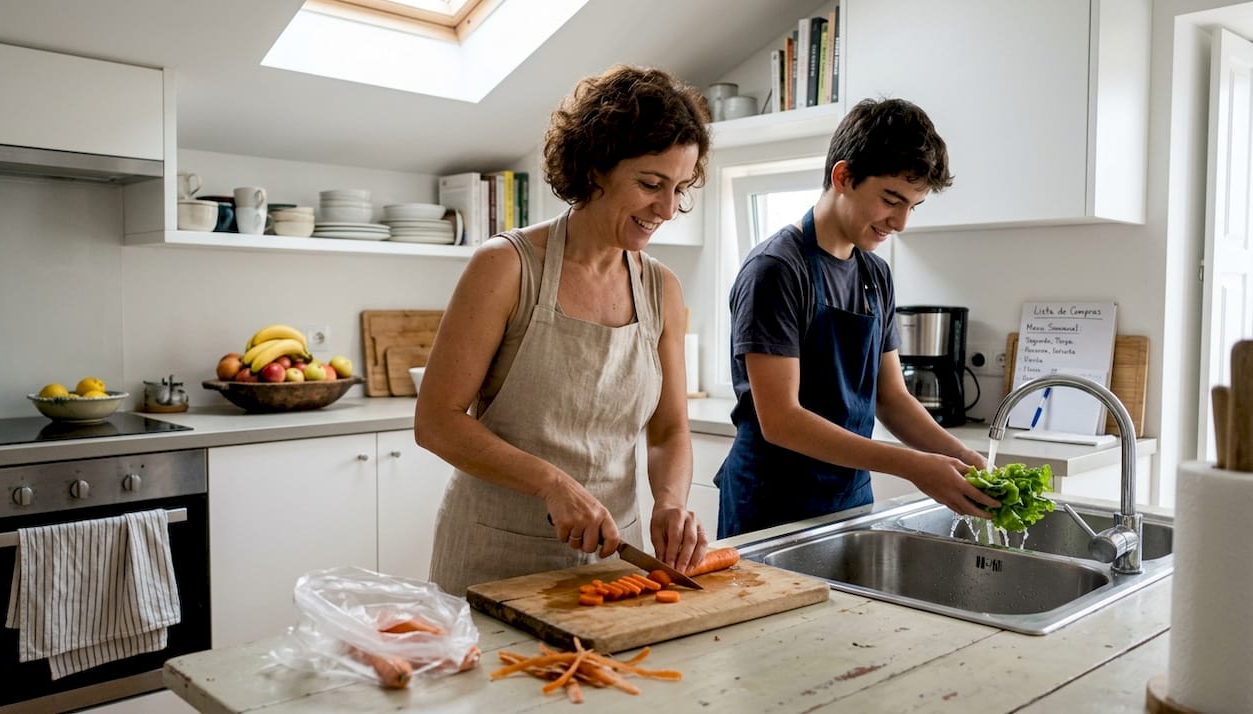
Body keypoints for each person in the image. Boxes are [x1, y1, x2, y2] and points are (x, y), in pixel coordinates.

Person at [416, 65, 711, 596]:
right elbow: (436, 421)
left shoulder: (661, 289)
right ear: (596, 167)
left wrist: (669, 502)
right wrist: (551, 484)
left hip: (615, 559)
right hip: (496, 559)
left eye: (680, 189)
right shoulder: (506, 267)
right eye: (650, 184)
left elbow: (669, 431)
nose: (666, 209)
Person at [714, 97, 999, 538]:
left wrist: (963, 458)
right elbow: (782, 420)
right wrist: (914, 466)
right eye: (891, 199)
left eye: (913, 206)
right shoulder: (775, 270)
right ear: (843, 177)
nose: (901, 222)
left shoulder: (875, 274)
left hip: (846, 500)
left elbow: (892, 398)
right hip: (771, 506)